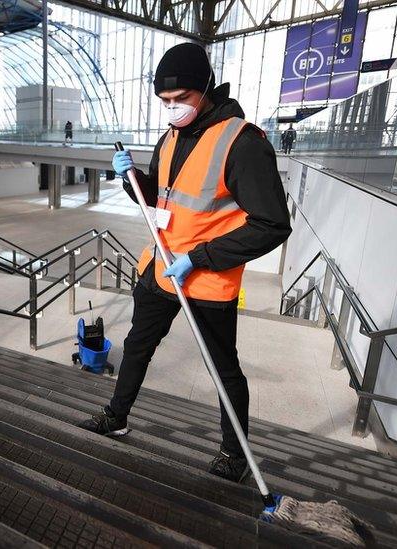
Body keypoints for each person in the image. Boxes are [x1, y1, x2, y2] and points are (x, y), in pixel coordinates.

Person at [78, 42, 291, 484]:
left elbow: (271, 224)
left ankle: (234, 456)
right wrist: (131, 177)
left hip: (207, 280)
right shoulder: (171, 137)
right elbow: (161, 196)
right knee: (137, 347)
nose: (172, 109)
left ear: (206, 89)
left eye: (181, 100)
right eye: (165, 103)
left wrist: (200, 257)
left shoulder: (242, 143)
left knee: (223, 369)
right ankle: (116, 416)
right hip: (161, 270)